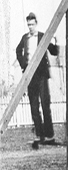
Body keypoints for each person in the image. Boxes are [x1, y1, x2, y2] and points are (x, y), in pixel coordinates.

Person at [15, 12, 59, 143]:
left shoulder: (42, 36)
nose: (30, 27)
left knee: (45, 104)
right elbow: (18, 51)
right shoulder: (25, 38)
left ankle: (49, 135)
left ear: (36, 24)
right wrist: (23, 64)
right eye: (28, 25)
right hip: (30, 76)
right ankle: (40, 135)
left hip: (41, 75)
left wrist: (55, 41)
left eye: (32, 24)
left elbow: (54, 52)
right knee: (34, 106)